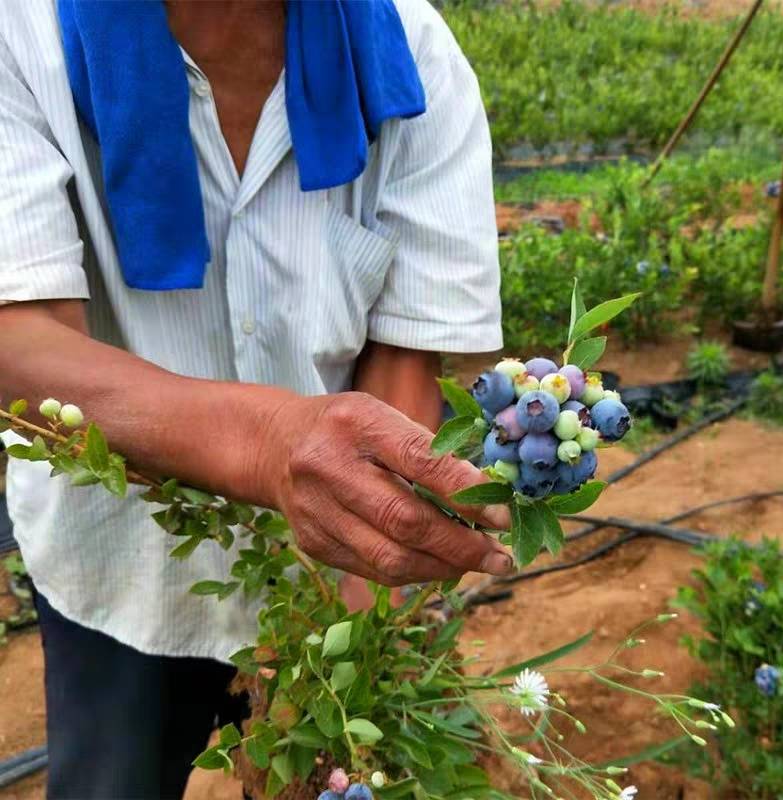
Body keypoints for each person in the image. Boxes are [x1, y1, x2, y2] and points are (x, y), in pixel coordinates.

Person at [0, 1, 509, 797]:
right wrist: (271, 443)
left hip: (322, 582)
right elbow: (21, 353)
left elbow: (403, 362)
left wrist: (347, 631)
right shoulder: (21, 32)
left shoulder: (410, 56)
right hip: (120, 575)